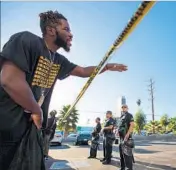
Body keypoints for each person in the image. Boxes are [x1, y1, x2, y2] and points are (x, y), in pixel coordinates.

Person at [0, 10, 127, 170]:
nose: (71, 34)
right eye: (66, 29)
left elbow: (82, 71)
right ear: (51, 30)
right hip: (7, 126)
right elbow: (10, 80)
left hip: (30, 131)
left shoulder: (58, 60)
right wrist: (36, 110)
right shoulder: (26, 40)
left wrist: (106, 67)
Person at [118, 104, 135, 170]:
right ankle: (122, 167)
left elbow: (132, 125)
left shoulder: (129, 115)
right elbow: (120, 126)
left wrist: (127, 134)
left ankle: (129, 168)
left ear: (127, 108)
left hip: (126, 137)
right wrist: (117, 131)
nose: (123, 108)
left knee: (127, 154)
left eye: (125, 107)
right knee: (122, 154)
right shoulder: (121, 116)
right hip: (121, 137)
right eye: (122, 107)